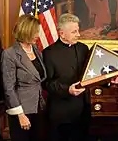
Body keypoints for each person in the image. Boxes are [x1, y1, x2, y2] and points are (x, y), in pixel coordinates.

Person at [42, 13, 91, 141]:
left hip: (82, 112)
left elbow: (91, 74)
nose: (78, 34)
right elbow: (46, 83)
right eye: (74, 32)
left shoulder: (83, 49)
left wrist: (108, 81)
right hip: (60, 114)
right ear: (62, 33)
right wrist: (67, 90)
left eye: (78, 31)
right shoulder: (49, 53)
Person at [1, 14, 47, 141]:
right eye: (35, 32)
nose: (38, 35)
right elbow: (9, 88)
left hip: (39, 107)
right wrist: (20, 115)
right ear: (25, 31)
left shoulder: (36, 49)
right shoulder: (10, 54)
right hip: (22, 111)